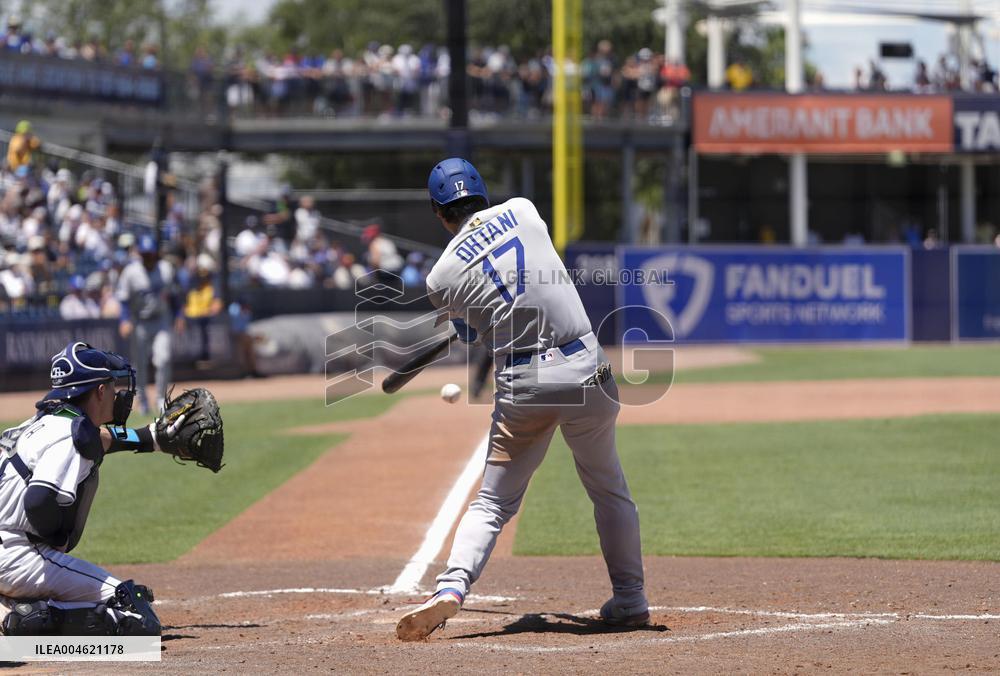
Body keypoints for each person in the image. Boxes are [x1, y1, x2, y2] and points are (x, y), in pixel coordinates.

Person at [395, 158, 647, 641]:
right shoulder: (525, 210)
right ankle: (631, 599)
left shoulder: (439, 278)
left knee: (493, 502)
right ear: (483, 193)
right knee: (608, 487)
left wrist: (466, 327)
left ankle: (451, 587)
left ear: (438, 211)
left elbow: (474, 324)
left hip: (524, 382)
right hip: (586, 367)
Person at [0, 342, 161, 636]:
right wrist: (57, 538)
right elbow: (37, 501)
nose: (118, 395)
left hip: (8, 550)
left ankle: (9, 606)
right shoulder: (68, 435)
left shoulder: (42, 423)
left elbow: (100, 439)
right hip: (16, 556)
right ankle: (27, 619)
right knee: (136, 616)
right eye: (113, 387)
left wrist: (151, 438)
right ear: (100, 391)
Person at [116, 233, 184, 414]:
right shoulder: (131, 272)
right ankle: (143, 400)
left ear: (155, 254)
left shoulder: (166, 269)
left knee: (163, 359)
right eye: (144, 254)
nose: (147, 257)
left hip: (161, 320)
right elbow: (123, 299)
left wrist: (179, 315)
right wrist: (124, 319)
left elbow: (176, 295)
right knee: (139, 365)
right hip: (140, 321)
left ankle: (161, 398)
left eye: (150, 254)